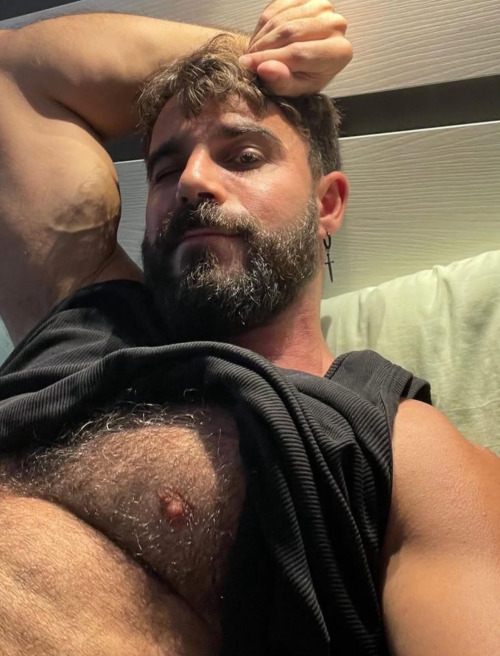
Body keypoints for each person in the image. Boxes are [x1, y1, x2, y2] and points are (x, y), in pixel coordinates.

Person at [0, 2, 498, 655]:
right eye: (165, 169)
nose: (191, 182)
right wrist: (249, 52)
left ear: (327, 204)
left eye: (243, 155)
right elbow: (12, 75)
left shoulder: (396, 442)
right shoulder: (89, 319)